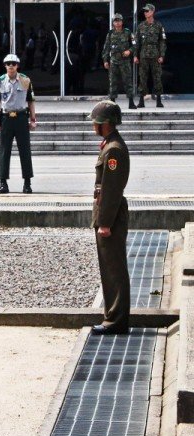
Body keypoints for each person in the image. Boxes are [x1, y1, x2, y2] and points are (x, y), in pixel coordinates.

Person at [89, 100, 130, 335]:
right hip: (108, 213)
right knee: (110, 268)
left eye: (95, 122)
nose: (93, 126)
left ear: (105, 123)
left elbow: (111, 189)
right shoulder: (110, 145)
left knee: (114, 270)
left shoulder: (113, 149)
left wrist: (104, 223)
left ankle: (116, 320)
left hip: (110, 216)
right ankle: (113, 317)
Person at [0, 53, 37, 194]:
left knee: (25, 150)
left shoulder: (25, 80)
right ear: (5, 66)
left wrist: (33, 119)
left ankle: (27, 183)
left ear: (17, 65)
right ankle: (3, 182)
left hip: (21, 117)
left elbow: (30, 101)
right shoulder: (0, 81)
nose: (11, 66)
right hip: (6, 118)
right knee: (5, 151)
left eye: (13, 63)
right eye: (8, 64)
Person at [134, 3, 166, 108]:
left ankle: (159, 100)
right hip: (143, 55)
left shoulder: (158, 25)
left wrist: (162, 55)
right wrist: (135, 55)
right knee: (142, 77)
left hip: (155, 55)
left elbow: (162, 42)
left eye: (147, 11)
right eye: (144, 11)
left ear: (152, 12)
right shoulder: (141, 26)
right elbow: (137, 42)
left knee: (157, 77)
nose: (145, 13)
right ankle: (141, 101)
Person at [102, 13, 137, 109]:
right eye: (115, 21)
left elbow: (135, 45)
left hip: (125, 62)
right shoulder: (110, 34)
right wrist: (105, 60)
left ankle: (131, 102)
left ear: (122, 22)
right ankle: (112, 103)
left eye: (119, 20)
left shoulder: (127, 32)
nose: (117, 23)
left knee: (128, 82)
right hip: (114, 62)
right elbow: (106, 48)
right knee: (113, 83)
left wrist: (129, 51)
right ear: (113, 23)